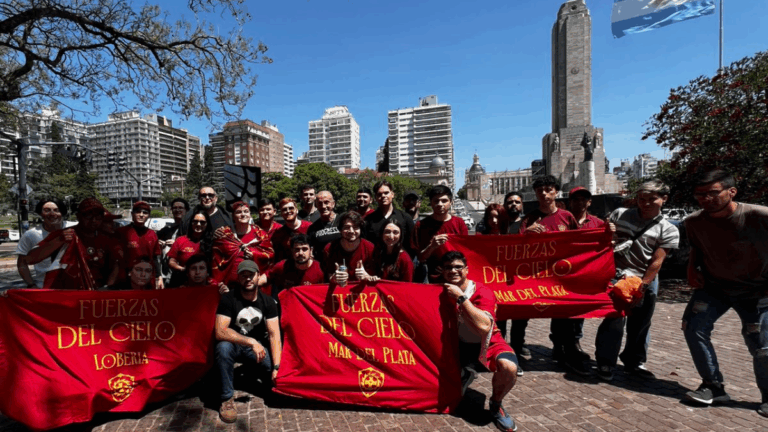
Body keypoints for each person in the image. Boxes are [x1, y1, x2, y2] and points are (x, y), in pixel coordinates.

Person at [680, 169, 768, 416]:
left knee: (761, 345)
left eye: (711, 193)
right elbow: (697, 248)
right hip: (714, 287)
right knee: (693, 327)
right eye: (699, 195)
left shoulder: (759, 216)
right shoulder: (693, 221)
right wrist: (691, 269)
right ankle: (713, 386)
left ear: (732, 192)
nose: (705, 199)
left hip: (757, 291)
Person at [594, 180, 678, 381]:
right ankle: (605, 362)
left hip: (644, 278)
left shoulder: (668, 230)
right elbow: (603, 237)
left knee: (641, 323)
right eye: (641, 199)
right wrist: (608, 231)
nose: (646, 203)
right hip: (617, 276)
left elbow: (657, 261)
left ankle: (634, 362)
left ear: (664, 199)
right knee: (613, 320)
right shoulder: (620, 214)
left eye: (652, 199)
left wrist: (644, 286)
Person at [441, 251, 519, 432]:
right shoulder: (438, 290)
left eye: (458, 267)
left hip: (486, 343)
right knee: (444, 398)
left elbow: (484, 327)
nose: (453, 271)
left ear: (467, 270)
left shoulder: (482, 291)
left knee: (509, 368)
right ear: (442, 271)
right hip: (455, 345)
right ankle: (464, 373)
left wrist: (461, 298)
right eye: (448, 268)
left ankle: (496, 404)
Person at [519, 175, 587, 375]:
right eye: (540, 190)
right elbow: (516, 248)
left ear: (556, 192)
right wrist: (527, 234)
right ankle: (516, 347)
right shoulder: (529, 219)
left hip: (561, 274)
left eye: (548, 189)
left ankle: (564, 350)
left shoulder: (567, 217)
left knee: (564, 312)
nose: (544, 194)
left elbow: (577, 244)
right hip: (536, 275)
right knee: (523, 311)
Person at [214, 260, 281, 424]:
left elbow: (274, 335)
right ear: (238, 278)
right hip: (236, 345)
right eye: (244, 275)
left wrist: (277, 368)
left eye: (251, 275)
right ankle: (227, 398)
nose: (248, 279)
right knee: (223, 348)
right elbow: (220, 331)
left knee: (269, 370)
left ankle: (252, 373)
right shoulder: (229, 299)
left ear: (259, 276)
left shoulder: (268, 302)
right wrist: (250, 341)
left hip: (257, 349)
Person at [28, 198, 121, 288]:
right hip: (67, 295)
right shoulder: (63, 234)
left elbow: (115, 266)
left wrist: (107, 288)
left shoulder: (106, 239)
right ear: (78, 216)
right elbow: (30, 259)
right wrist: (59, 240)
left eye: (98, 217)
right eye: (88, 216)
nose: (93, 220)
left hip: (94, 295)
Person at [415, 185, 468, 282]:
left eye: (444, 201)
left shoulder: (459, 223)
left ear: (451, 202)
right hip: (433, 278)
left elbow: (466, 253)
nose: (440, 204)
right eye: (436, 201)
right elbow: (420, 258)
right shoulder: (421, 225)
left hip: (456, 276)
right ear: (431, 203)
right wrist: (432, 246)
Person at [16, 198, 73, 288]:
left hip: (73, 286)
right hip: (44, 287)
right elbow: (22, 263)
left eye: (56, 210)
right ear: (40, 213)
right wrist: (31, 284)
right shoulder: (31, 235)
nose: (52, 214)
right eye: (47, 210)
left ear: (62, 212)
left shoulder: (75, 227)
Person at [213, 201, 273, 284]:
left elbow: (270, 256)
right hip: (229, 286)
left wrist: (254, 254)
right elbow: (216, 259)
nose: (243, 214)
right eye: (238, 212)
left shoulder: (260, 235)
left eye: (246, 211)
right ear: (233, 216)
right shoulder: (224, 235)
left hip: (254, 286)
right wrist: (219, 284)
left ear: (250, 214)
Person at [259, 234, 324, 302]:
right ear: (292, 250)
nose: (301, 253)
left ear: (311, 250)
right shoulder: (283, 266)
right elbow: (266, 277)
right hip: (287, 306)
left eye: (304, 249)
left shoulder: (320, 269)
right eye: (297, 249)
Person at [363, 180, 415, 257]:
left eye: (386, 193)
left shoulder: (405, 218)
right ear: (375, 198)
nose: (383, 196)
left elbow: (412, 246)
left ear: (392, 194)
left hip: (399, 264)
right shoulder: (368, 220)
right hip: (376, 264)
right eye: (379, 194)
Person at [118, 201, 163, 288]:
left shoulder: (152, 234)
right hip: (126, 280)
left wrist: (159, 277)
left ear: (149, 216)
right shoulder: (122, 232)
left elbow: (155, 257)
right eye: (138, 212)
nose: (141, 215)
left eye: (145, 213)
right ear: (132, 214)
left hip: (147, 279)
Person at [323, 211, 376, 285]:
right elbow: (327, 276)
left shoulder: (370, 248)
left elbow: (376, 279)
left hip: (363, 293)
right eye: (347, 227)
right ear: (340, 230)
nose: (351, 231)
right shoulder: (329, 248)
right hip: (339, 292)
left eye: (355, 227)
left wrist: (366, 276)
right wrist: (334, 278)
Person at [167, 209, 213, 287]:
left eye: (202, 222)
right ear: (191, 223)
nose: (198, 224)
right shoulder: (181, 240)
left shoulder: (212, 242)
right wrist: (183, 269)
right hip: (182, 282)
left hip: (205, 285)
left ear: (207, 224)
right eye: (195, 221)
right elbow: (171, 261)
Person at [158, 198, 189, 284]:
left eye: (180, 208)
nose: (177, 210)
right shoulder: (166, 229)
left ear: (186, 210)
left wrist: (177, 244)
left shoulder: (190, 229)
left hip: (182, 273)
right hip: (166, 273)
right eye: (175, 208)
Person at [271, 198, 312, 263]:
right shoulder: (278, 234)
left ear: (297, 210)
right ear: (281, 213)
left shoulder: (309, 227)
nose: (288, 211)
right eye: (284, 209)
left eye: (291, 208)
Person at [307, 191, 341, 260]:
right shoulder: (313, 228)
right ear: (316, 206)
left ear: (333, 204)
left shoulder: (343, 221)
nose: (323, 206)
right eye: (320, 203)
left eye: (326, 202)